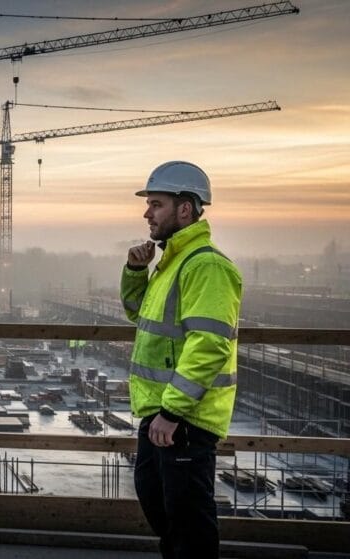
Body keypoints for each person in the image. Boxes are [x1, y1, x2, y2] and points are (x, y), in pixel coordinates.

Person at [121, 161, 242, 559]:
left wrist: (173, 412)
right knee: (162, 510)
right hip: (159, 413)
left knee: (188, 522)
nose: (146, 213)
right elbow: (140, 315)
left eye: (156, 204)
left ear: (185, 209)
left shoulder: (205, 265)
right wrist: (136, 272)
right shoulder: (170, 263)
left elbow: (209, 346)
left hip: (184, 419)